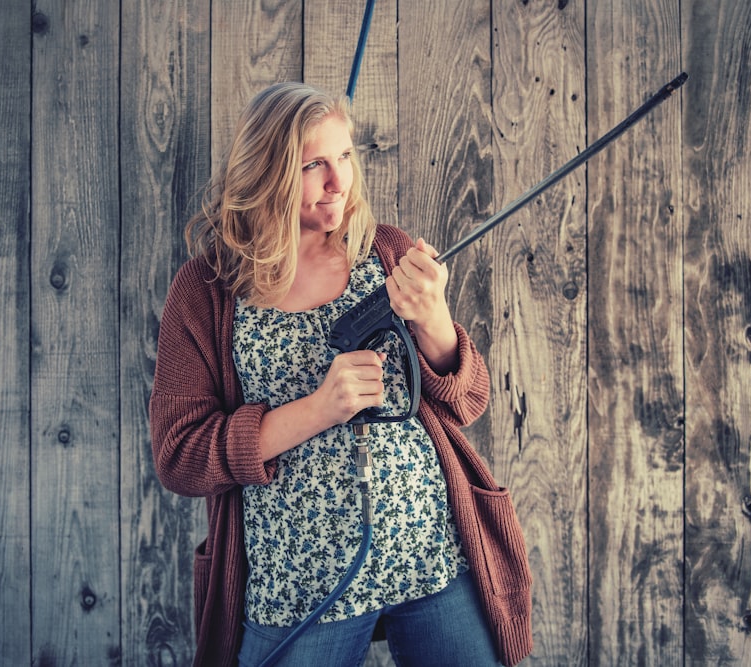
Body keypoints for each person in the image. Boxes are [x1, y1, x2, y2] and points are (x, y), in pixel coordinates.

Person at [149, 81, 533, 667]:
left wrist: (435, 322)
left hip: (427, 556)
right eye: (315, 165)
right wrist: (316, 410)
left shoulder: (384, 252)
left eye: (347, 157)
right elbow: (178, 455)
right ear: (267, 172)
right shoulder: (207, 291)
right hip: (299, 583)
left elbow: (469, 401)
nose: (339, 181)